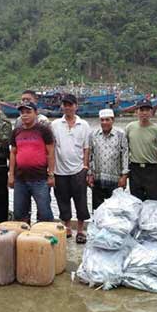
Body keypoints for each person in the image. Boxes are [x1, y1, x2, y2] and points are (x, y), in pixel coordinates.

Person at [50, 94, 91, 243]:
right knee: (62, 200)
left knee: (81, 201)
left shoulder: (84, 125)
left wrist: (85, 167)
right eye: (65, 104)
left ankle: (80, 230)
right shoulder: (55, 124)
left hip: (78, 170)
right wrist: (51, 171)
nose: (67, 107)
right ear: (62, 106)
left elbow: (87, 148)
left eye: (70, 104)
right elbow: (52, 148)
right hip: (60, 171)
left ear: (76, 106)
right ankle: (67, 227)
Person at [9, 102, 55, 222]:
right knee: (19, 213)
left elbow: (50, 153)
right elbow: (13, 153)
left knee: (44, 212)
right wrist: (11, 175)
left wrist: (51, 174)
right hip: (20, 179)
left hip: (40, 179)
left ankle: (46, 236)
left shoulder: (44, 131)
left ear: (36, 113)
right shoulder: (16, 132)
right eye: (22, 112)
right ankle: (24, 238)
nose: (25, 115)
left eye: (28, 112)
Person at [125, 100, 157, 202]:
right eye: (141, 110)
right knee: (136, 200)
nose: (144, 113)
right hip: (135, 168)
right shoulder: (130, 127)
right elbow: (126, 150)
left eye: (147, 110)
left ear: (151, 112)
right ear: (136, 112)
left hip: (151, 168)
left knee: (155, 201)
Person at [87, 108, 129, 210]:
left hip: (115, 179)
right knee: (98, 210)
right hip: (98, 179)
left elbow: (125, 155)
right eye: (102, 120)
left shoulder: (120, 135)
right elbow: (90, 156)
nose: (104, 122)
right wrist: (89, 174)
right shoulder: (94, 135)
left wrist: (124, 176)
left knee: (115, 211)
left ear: (113, 120)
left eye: (107, 120)